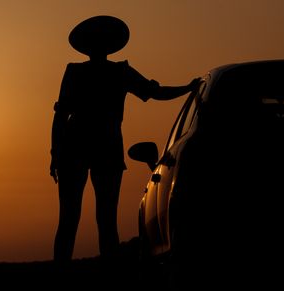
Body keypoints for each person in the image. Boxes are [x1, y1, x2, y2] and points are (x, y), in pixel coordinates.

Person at [50, 15, 200, 263]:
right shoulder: (109, 72)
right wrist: (55, 154)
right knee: (89, 219)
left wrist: (186, 88)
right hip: (91, 148)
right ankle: (83, 281)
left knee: (87, 219)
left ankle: (81, 282)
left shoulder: (101, 72)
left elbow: (154, 92)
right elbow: (61, 114)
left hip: (89, 148)